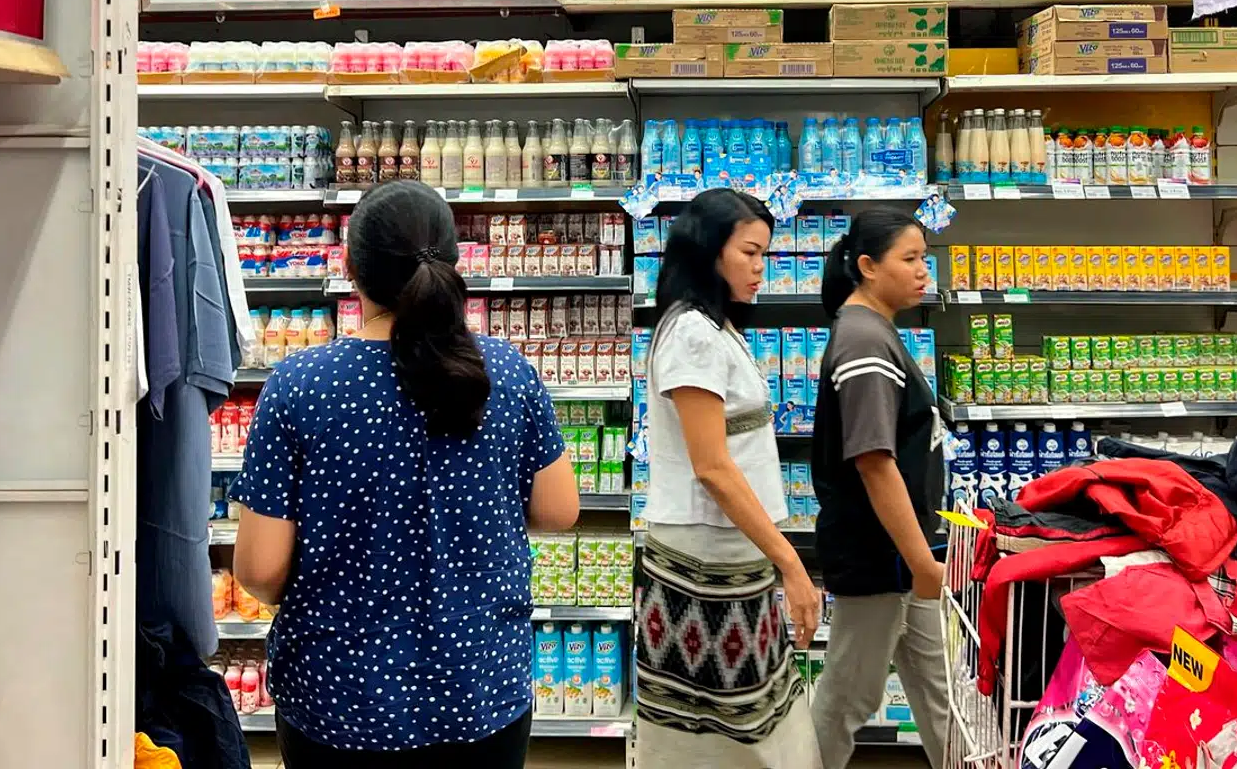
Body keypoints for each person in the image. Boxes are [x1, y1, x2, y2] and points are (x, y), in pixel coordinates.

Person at [230, 180, 580, 768]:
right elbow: (558, 511)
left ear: (350, 267)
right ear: (453, 262)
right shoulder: (508, 372)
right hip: (479, 688)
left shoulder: (298, 384)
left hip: (340, 697)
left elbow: (260, 572)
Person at [637, 188, 822, 769]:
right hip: (704, 560)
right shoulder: (692, 334)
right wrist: (791, 563)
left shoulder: (715, 329)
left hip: (732, 554)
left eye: (765, 254)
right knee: (721, 729)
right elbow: (713, 466)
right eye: (750, 252)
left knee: (747, 720)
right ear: (710, 251)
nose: (761, 268)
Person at [809, 207, 949, 769]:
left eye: (924, 258)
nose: (923, 272)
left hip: (904, 555)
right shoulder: (864, 342)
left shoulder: (873, 329)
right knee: (848, 696)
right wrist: (920, 561)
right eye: (909, 259)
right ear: (867, 266)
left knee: (941, 691)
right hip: (882, 556)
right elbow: (874, 462)